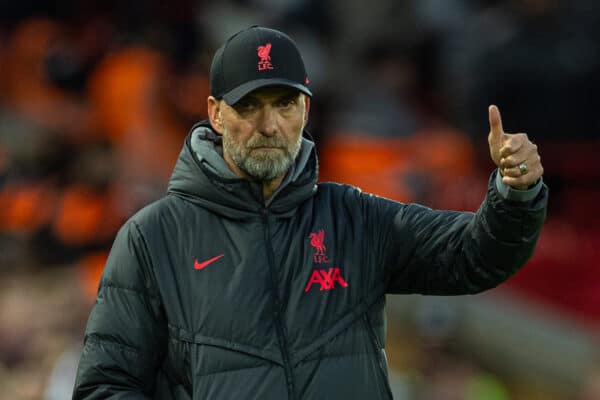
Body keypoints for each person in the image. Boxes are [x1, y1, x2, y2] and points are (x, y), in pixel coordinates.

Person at [72, 26, 547, 399]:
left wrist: (516, 192)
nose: (270, 124)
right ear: (216, 114)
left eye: (284, 103)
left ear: (304, 109)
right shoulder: (153, 238)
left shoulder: (354, 218)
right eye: (249, 106)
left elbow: (475, 255)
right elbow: (104, 386)